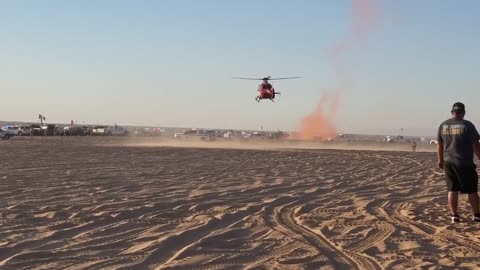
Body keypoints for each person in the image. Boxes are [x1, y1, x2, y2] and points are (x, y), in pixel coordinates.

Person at [437, 102, 480, 223]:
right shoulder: (467, 125)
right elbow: (475, 144)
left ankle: (454, 215)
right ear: (463, 113)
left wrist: (440, 160)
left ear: (452, 112)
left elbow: (440, 144)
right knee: (472, 190)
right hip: (465, 163)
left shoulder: (443, 125)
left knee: (452, 189)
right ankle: (477, 214)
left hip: (449, 162)